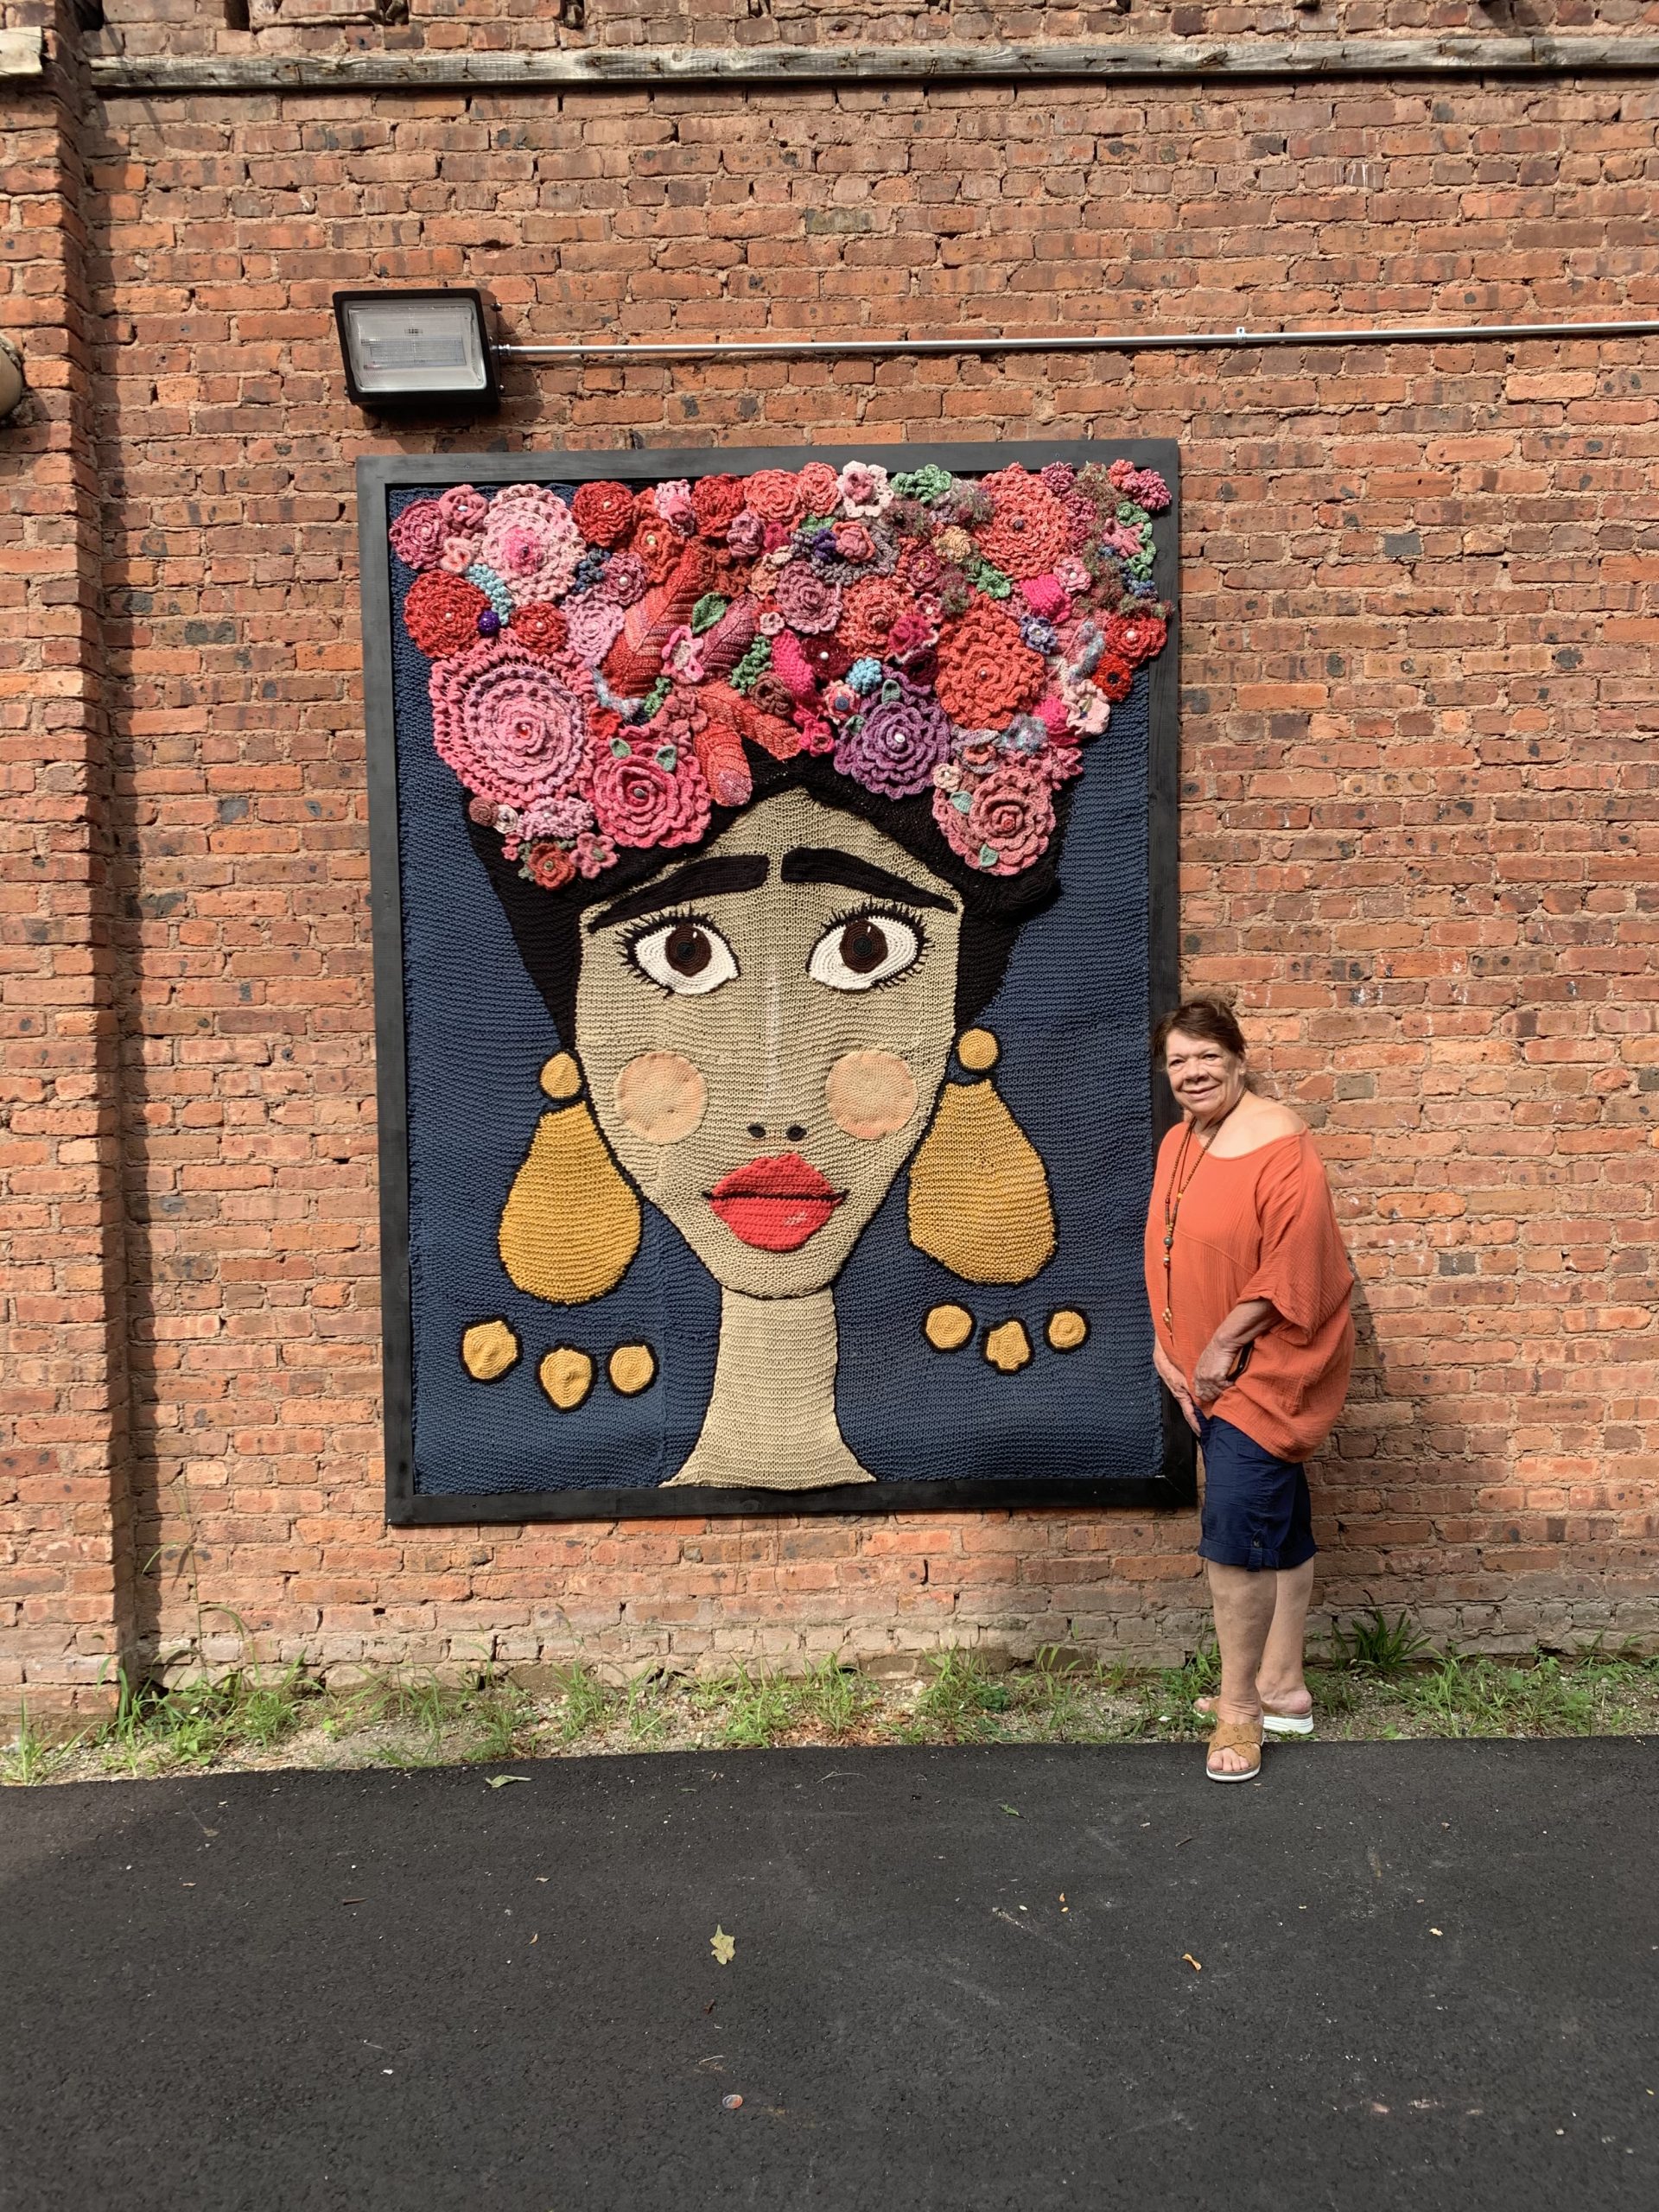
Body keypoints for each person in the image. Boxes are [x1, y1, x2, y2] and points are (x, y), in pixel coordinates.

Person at [1143, 998, 1354, 1783]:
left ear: (1238, 1058)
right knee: (1283, 1523)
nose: (1192, 1073)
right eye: (1178, 1062)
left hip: (1261, 1370)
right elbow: (1169, 1244)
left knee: (1233, 1539)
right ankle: (1283, 1686)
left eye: (1206, 1057)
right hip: (1202, 1367)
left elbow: (1294, 1262)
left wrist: (1220, 1346)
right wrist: (1173, 1348)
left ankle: (1240, 1711)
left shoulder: (1281, 1142)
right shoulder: (1181, 1139)